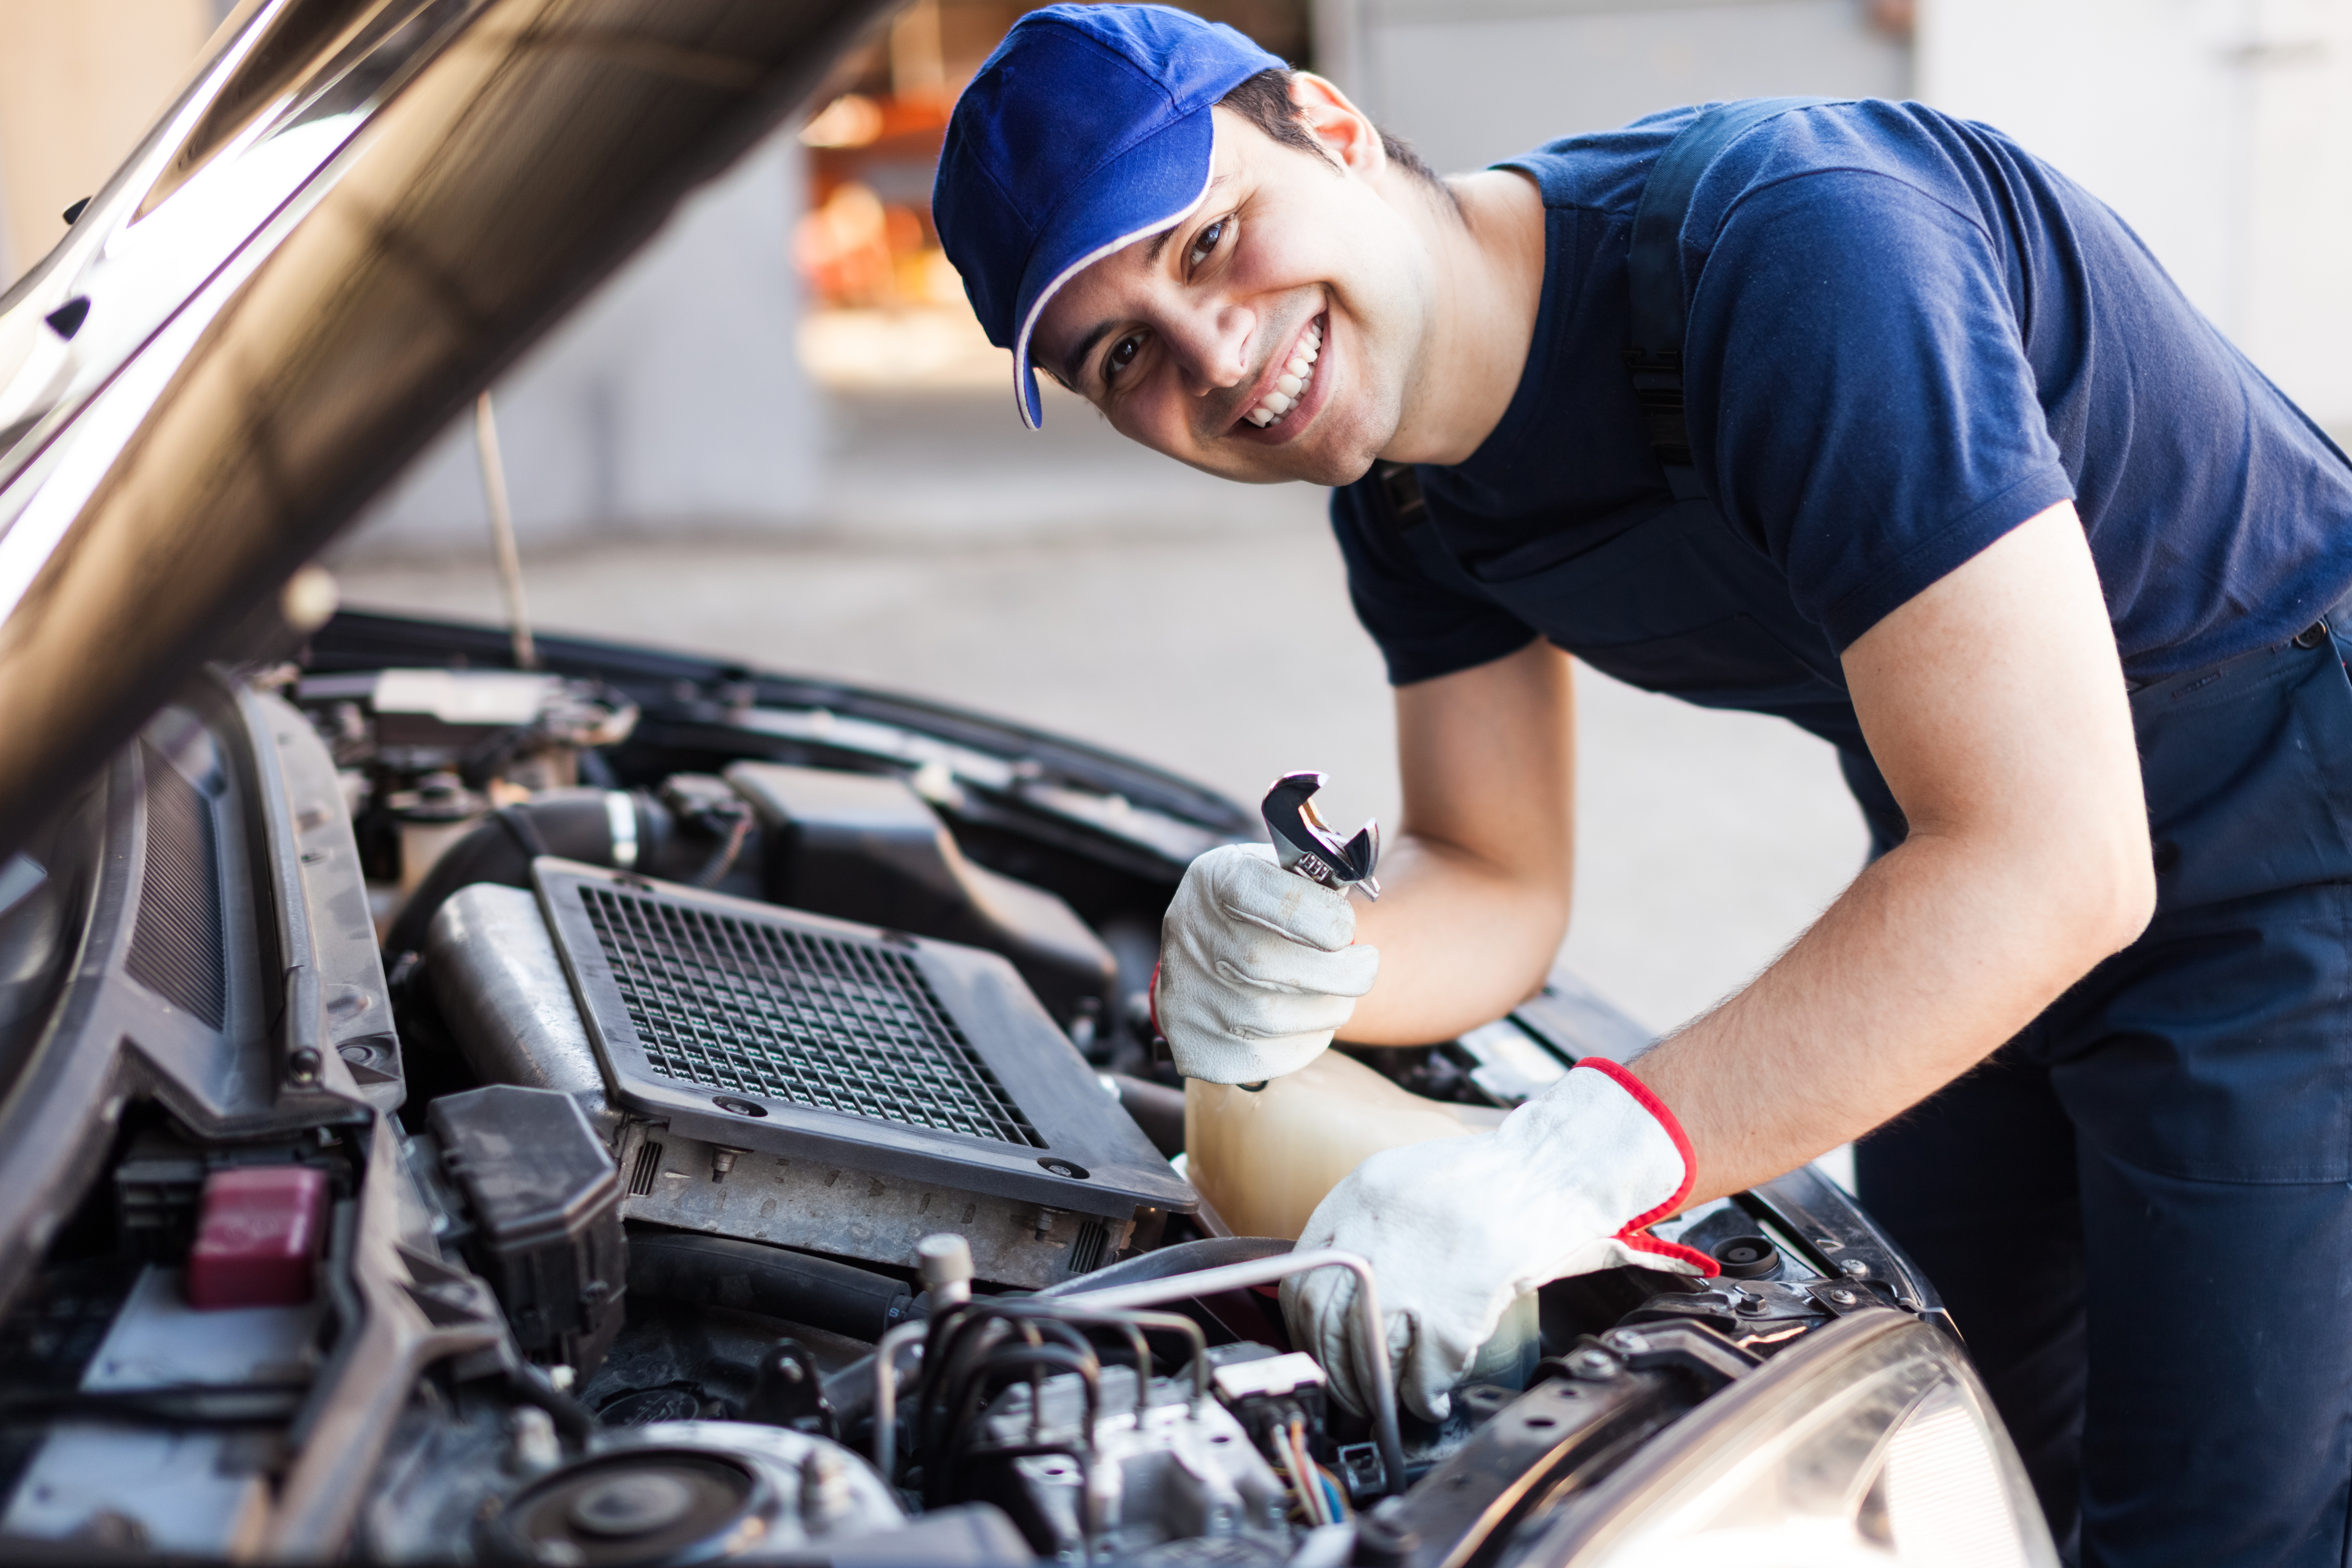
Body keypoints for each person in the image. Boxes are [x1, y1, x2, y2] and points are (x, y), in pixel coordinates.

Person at [929, 7, 2352, 1563]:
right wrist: (1309, 961)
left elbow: (2057, 864)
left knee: (2223, 1526)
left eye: (1209, 242)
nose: (1213, 359)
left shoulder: (1797, 254)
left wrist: (1558, 1169)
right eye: (1121, 354)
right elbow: (1495, 874)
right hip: (1964, 873)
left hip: (2289, 867)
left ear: (1332, 128)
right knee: (1954, 1453)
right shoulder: (1405, 491)